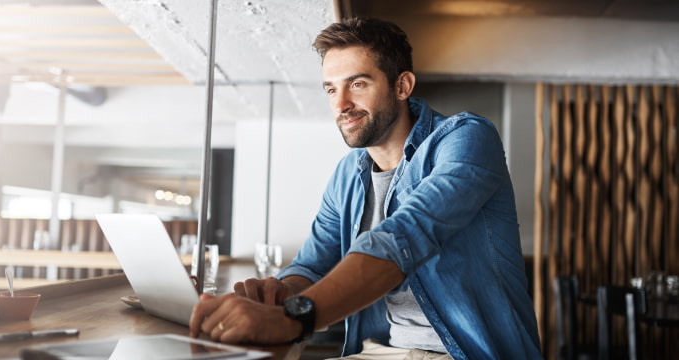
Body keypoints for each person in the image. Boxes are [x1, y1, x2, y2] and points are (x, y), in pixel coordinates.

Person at [190, 17, 542, 360]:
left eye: (357, 84)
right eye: (331, 88)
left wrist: (293, 319)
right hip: (381, 349)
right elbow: (312, 266)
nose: (341, 104)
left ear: (402, 86)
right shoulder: (347, 173)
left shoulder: (467, 138)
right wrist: (275, 294)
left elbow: (404, 235)